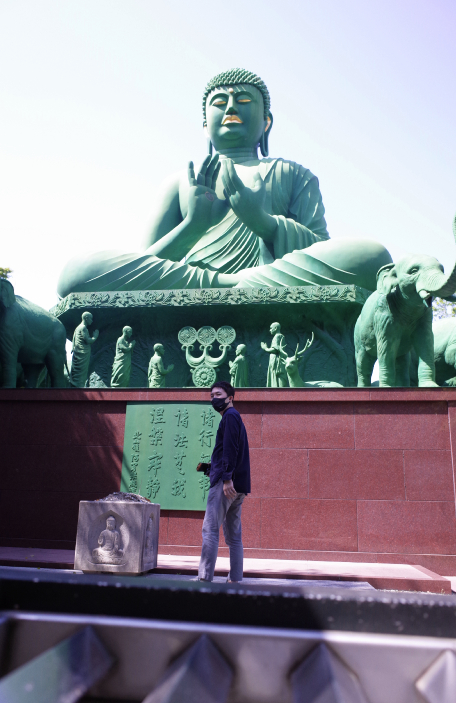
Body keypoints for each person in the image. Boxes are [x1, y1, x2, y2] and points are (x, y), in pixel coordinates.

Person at [57, 68, 392, 298]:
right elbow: (148, 261)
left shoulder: (293, 173)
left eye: (244, 101)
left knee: (371, 257)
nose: (231, 107)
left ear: (266, 121)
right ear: (205, 126)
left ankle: (240, 285)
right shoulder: (179, 182)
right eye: (220, 103)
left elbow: (319, 248)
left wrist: (264, 224)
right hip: (191, 283)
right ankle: (234, 286)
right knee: (76, 273)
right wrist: (192, 225)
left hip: (270, 279)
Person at [196, 380, 250, 582]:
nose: (214, 399)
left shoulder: (230, 416)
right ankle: (235, 579)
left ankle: (204, 578)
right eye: (211, 395)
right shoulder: (234, 418)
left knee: (210, 529)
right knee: (234, 536)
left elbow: (230, 450)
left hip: (227, 485)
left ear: (230, 398)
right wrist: (208, 468)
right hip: (238, 486)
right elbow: (232, 452)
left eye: (218, 395)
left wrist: (226, 479)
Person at [69, 312, 99, 387]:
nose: (91, 321)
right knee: (81, 372)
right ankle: (79, 387)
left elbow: (73, 339)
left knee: (77, 372)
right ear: (86, 318)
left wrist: (73, 348)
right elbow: (88, 340)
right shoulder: (83, 328)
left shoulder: (78, 327)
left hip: (78, 353)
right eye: (90, 319)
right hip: (82, 354)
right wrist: (95, 336)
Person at [261, 322, 287, 387]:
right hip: (275, 361)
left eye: (271, 328)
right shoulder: (278, 336)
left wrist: (265, 348)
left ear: (275, 328)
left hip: (277, 361)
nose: (270, 330)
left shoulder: (278, 336)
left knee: (278, 377)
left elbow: (275, 349)